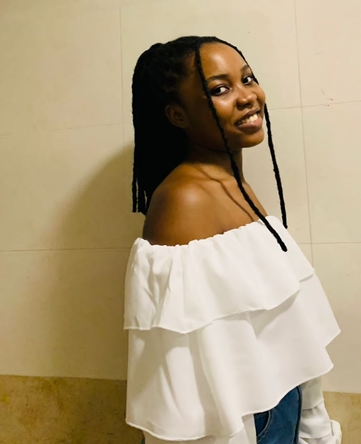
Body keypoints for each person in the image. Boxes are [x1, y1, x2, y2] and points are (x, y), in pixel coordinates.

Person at [124, 36, 342, 444]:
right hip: (247, 429)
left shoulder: (232, 185)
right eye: (220, 89)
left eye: (248, 79)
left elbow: (288, 333)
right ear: (178, 115)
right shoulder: (184, 201)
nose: (247, 97)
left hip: (281, 412)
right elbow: (190, 383)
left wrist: (314, 427)